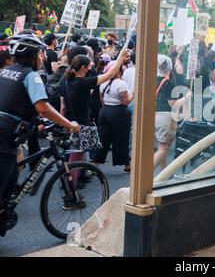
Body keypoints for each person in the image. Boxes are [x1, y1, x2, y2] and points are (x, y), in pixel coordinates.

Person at [0, 35, 80, 236]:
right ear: (30, 55)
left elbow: (14, 102)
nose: (43, 57)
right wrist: (68, 124)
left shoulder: (6, 71)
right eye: (40, 53)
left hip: (6, 132)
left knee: (12, 179)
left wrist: (38, 123)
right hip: (4, 136)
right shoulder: (31, 76)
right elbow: (42, 107)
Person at [60, 49, 131, 167]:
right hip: (83, 123)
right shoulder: (83, 83)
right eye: (88, 66)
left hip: (71, 121)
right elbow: (110, 75)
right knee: (79, 154)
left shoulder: (67, 80)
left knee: (78, 151)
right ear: (83, 67)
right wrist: (120, 57)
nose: (90, 69)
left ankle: (77, 174)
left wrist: (62, 121)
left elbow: (63, 104)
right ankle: (73, 178)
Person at [94, 61, 133, 173]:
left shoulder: (103, 82)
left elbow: (102, 99)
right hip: (119, 112)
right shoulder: (121, 83)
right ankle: (126, 165)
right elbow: (125, 101)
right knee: (121, 139)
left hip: (105, 111)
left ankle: (94, 164)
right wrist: (132, 95)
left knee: (103, 138)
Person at [154, 54, 191, 173]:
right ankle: (145, 174)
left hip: (153, 114)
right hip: (164, 116)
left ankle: (164, 173)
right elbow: (173, 104)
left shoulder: (153, 79)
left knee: (163, 146)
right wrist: (186, 98)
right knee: (163, 149)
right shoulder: (169, 83)